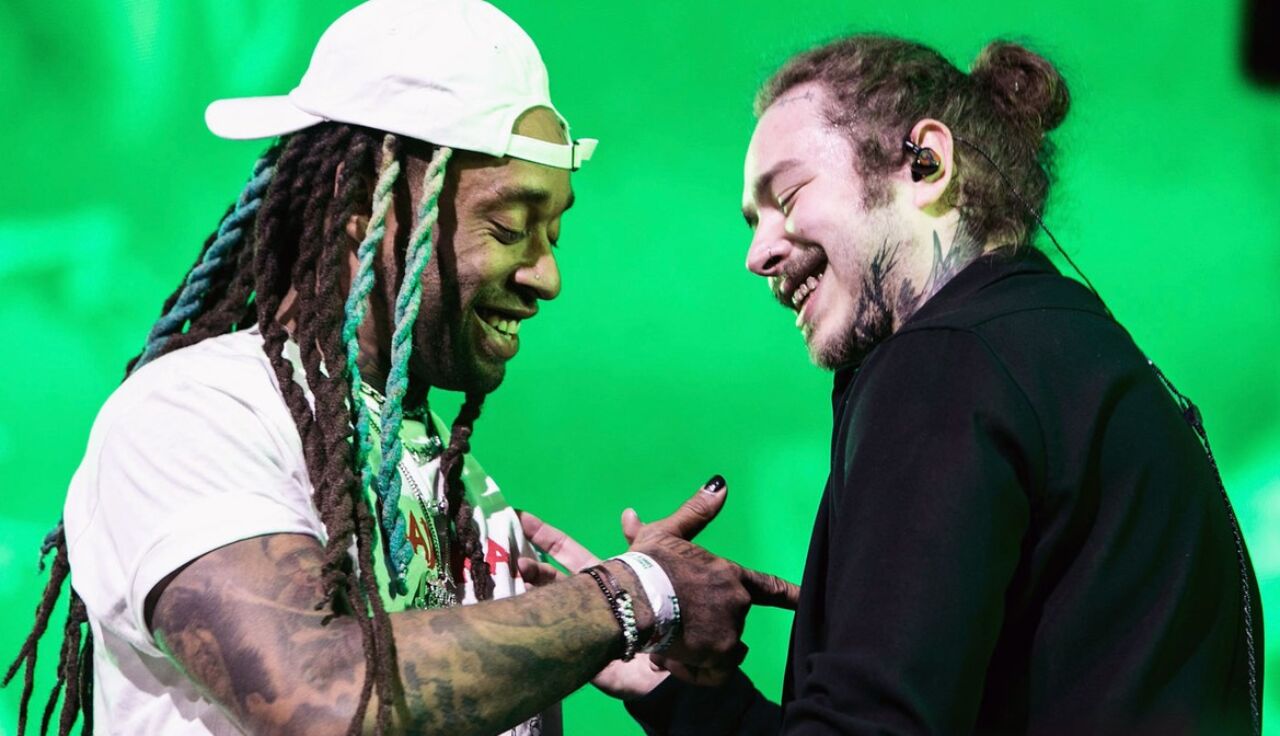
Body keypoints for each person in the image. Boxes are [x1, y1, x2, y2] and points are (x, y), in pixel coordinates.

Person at [2, 2, 798, 735]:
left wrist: (635, 659)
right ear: (363, 210)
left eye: (552, 235)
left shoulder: (468, 496)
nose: (547, 275)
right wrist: (632, 596)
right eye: (510, 227)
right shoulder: (197, 414)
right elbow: (322, 700)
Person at [573, 34, 1261, 735]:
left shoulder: (945, 364)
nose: (758, 253)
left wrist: (627, 607)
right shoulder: (1073, 354)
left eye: (788, 196)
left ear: (925, 163)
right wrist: (674, 691)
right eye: (754, 222)